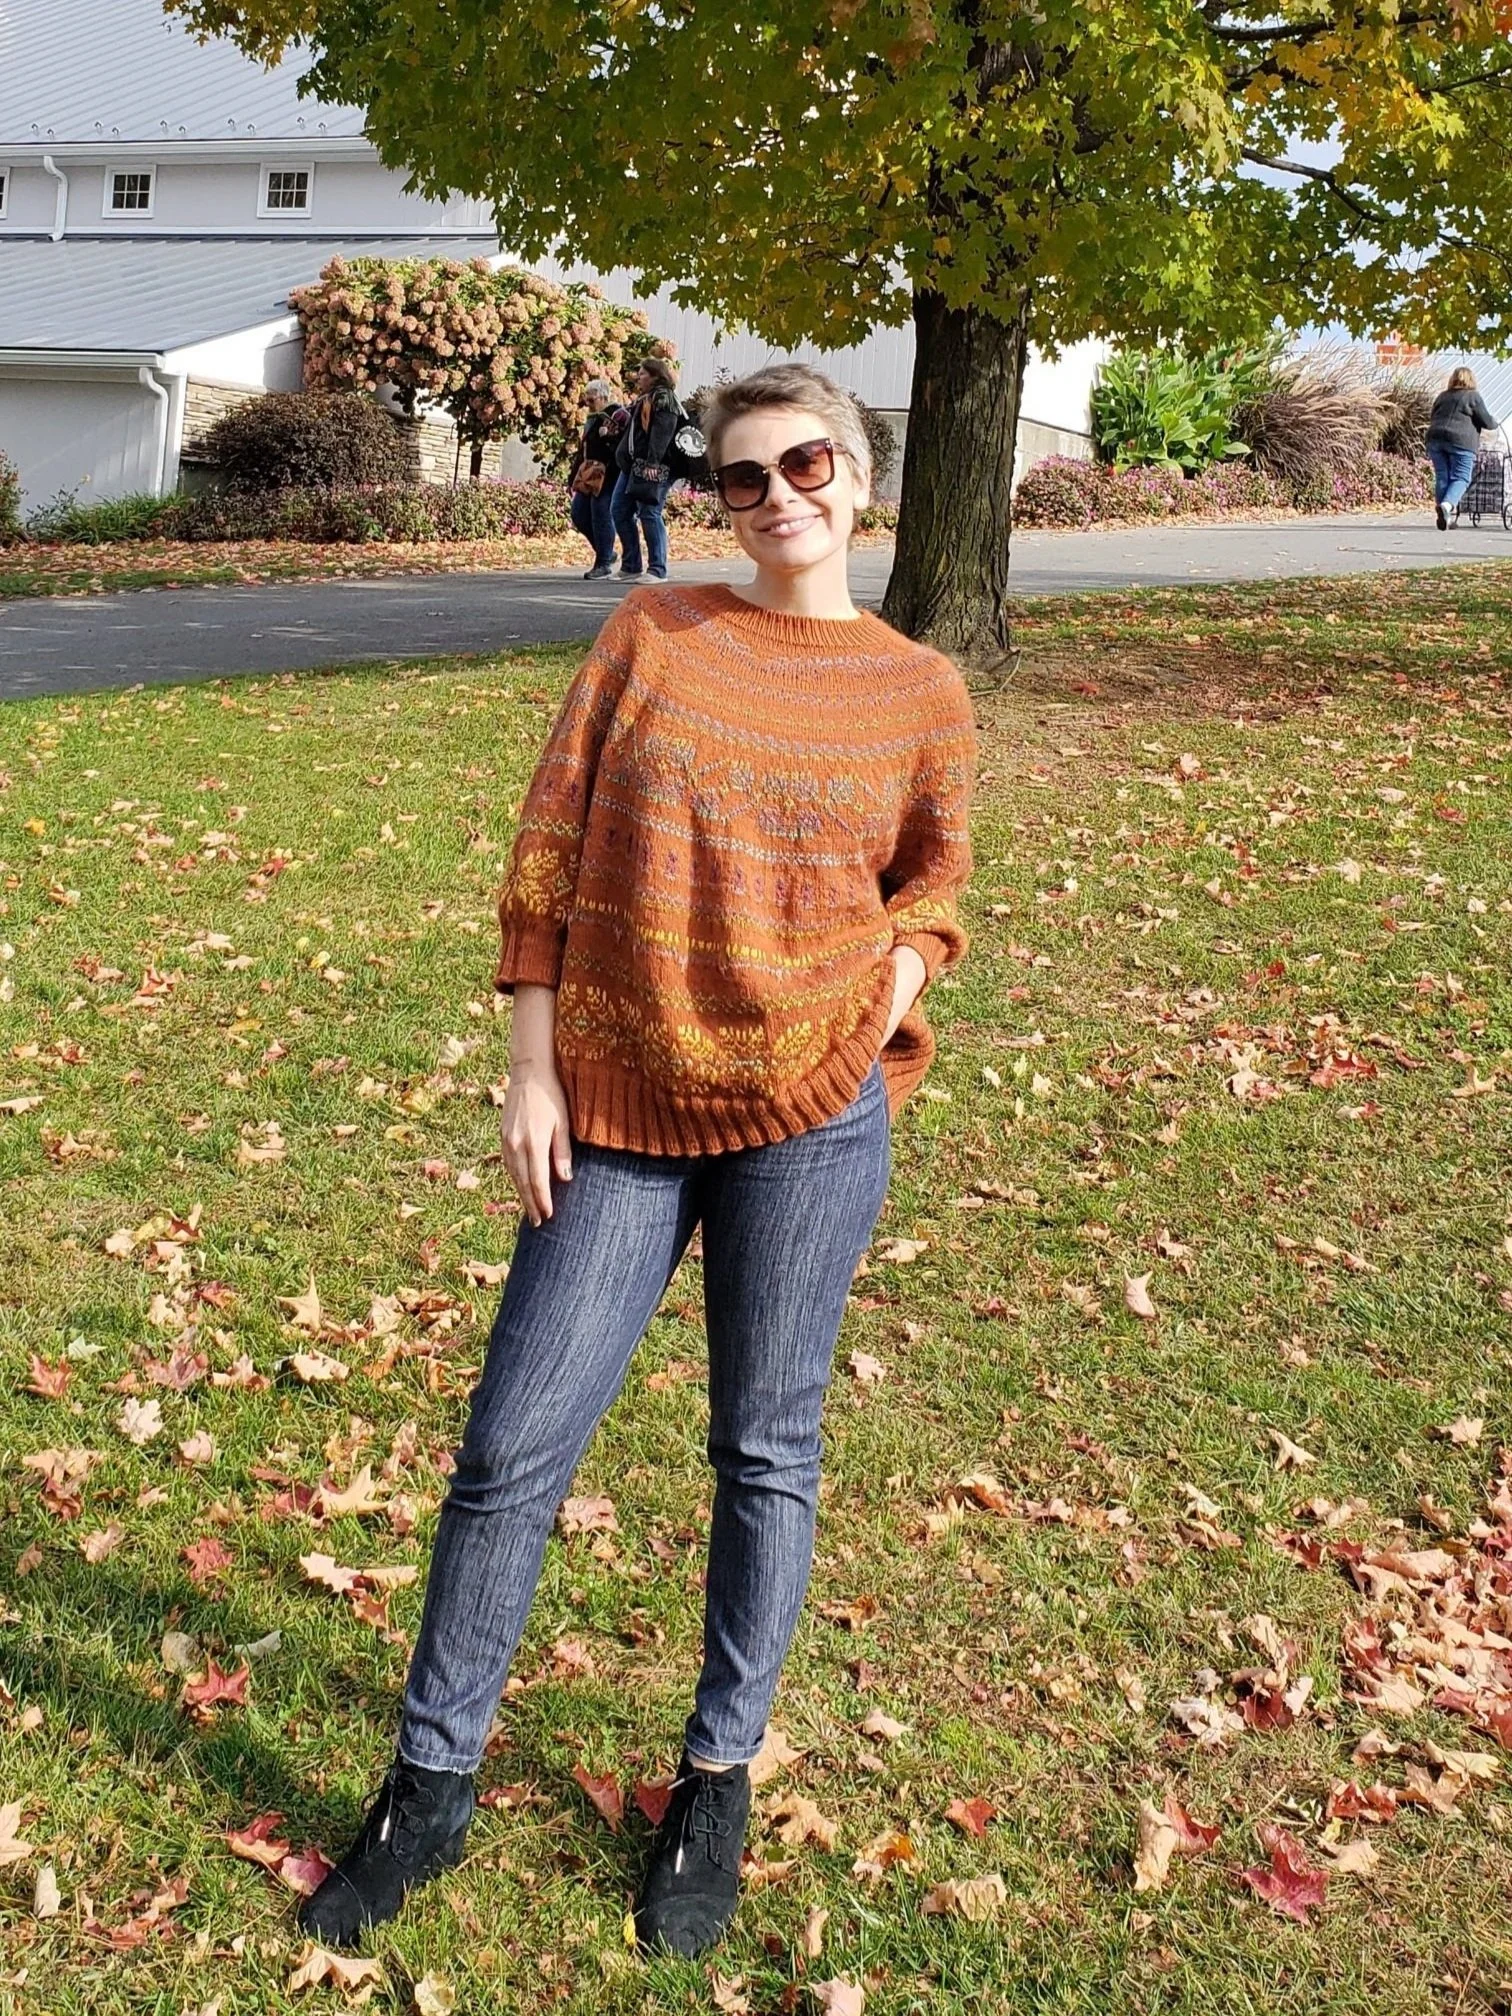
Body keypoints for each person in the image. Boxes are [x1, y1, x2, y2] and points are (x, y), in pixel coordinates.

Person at [297, 362, 976, 1961]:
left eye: (807, 463)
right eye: (741, 478)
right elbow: (546, 850)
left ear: (862, 481)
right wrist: (532, 1063)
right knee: (510, 1450)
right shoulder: (647, 636)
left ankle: (716, 1784)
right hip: (610, 1106)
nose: (778, 497)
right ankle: (430, 1787)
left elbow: (935, 883)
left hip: (814, 1115)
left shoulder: (920, 688)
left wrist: (895, 980)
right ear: (713, 502)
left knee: (765, 1455)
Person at [612, 355, 681, 580]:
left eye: (642, 373)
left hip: (652, 467)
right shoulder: (645, 398)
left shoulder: (664, 399)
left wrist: (653, 462)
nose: (638, 377)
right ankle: (631, 565)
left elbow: (663, 431)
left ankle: (657, 569)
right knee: (620, 510)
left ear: (655, 376)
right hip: (633, 466)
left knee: (650, 512)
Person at [1426, 367, 1498, 530]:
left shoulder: (1442, 397)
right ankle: (1447, 505)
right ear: (1471, 380)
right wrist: (1495, 423)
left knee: (1442, 476)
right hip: (1460, 441)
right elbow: (1487, 422)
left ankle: (1446, 517)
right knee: (1462, 477)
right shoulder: (1473, 397)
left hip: (1435, 438)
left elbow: (1433, 416)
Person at [566, 378, 621, 579]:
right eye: (586, 400)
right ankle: (605, 551)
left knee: (601, 513)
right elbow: (585, 450)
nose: (588, 404)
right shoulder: (592, 418)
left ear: (603, 396)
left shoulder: (615, 414)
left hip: (609, 473)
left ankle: (603, 563)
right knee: (579, 513)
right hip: (589, 473)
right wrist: (573, 476)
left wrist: (608, 437)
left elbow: (620, 444)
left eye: (591, 400)